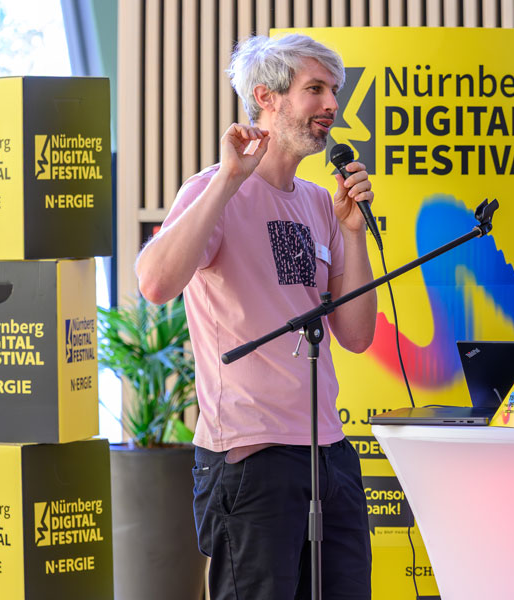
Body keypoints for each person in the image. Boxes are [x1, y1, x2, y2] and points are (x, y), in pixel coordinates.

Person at [136, 33, 376, 599]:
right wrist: (227, 179)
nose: (331, 105)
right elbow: (154, 283)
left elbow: (358, 335)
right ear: (265, 98)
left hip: (330, 452)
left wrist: (352, 233)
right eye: (314, 89)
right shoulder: (212, 190)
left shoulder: (321, 203)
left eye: (334, 91)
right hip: (250, 457)